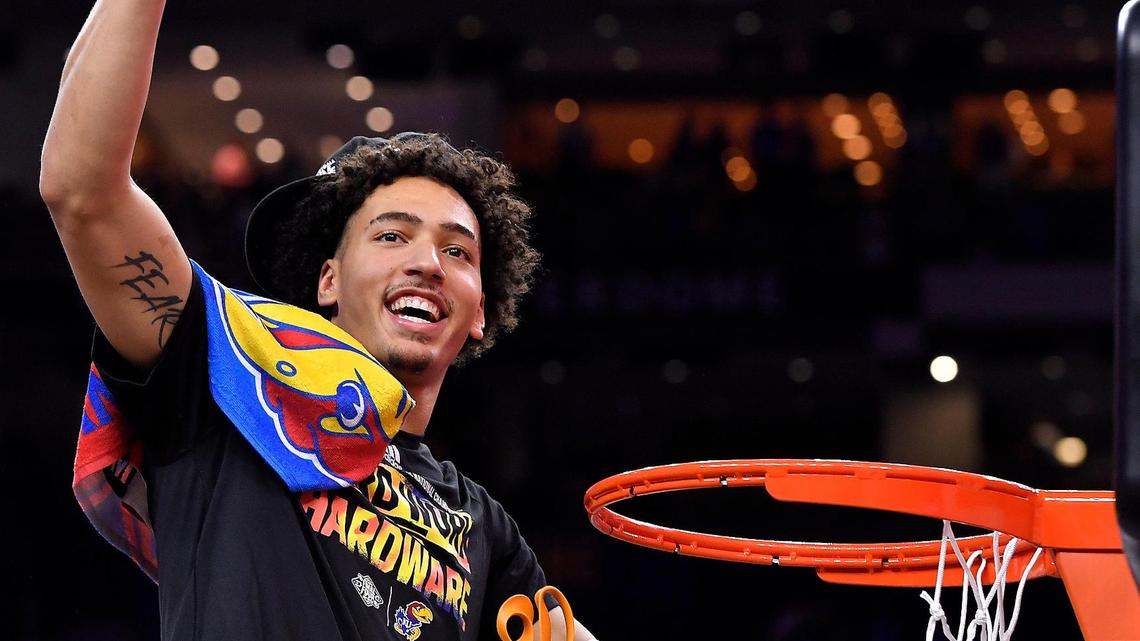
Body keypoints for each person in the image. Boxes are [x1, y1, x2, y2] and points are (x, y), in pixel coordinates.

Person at [40, 1, 596, 640]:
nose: (428, 265)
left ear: (481, 311)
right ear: (327, 280)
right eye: (392, 236)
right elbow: (82, 190)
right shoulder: (221, 373)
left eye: (457, 251)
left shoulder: (486, 532)